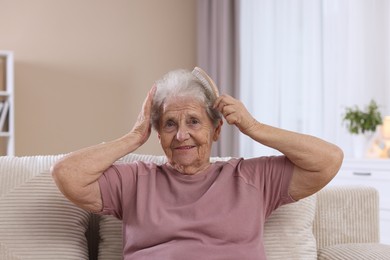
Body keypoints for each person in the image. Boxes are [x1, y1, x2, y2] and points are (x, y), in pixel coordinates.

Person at [51, 68, 343, 259]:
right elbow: (67, 174)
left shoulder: (252, 177)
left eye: (193, 121)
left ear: (215, 130)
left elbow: (328, 160)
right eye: (169, 124)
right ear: (158, 133)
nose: (181, 135)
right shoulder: (135, 180)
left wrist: (254, 127)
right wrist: (134, 136)